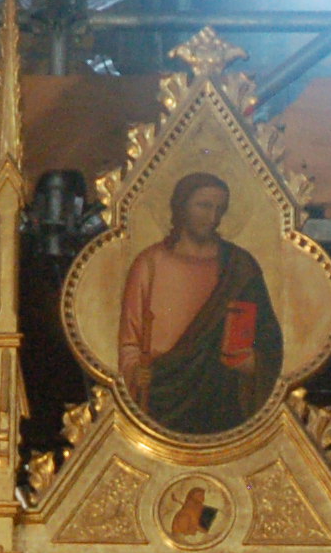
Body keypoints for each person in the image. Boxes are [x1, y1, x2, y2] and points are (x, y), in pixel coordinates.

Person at [118, 172, 283, 438]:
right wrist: (135, 372)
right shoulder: (149, 263)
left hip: (221, 398)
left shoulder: (239, 266)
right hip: (162, 395)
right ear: (181, 206)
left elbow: (269, 338)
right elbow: (130, 342)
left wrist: (255, 363)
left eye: (220, 209)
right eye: (204, 206)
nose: (213, 217)